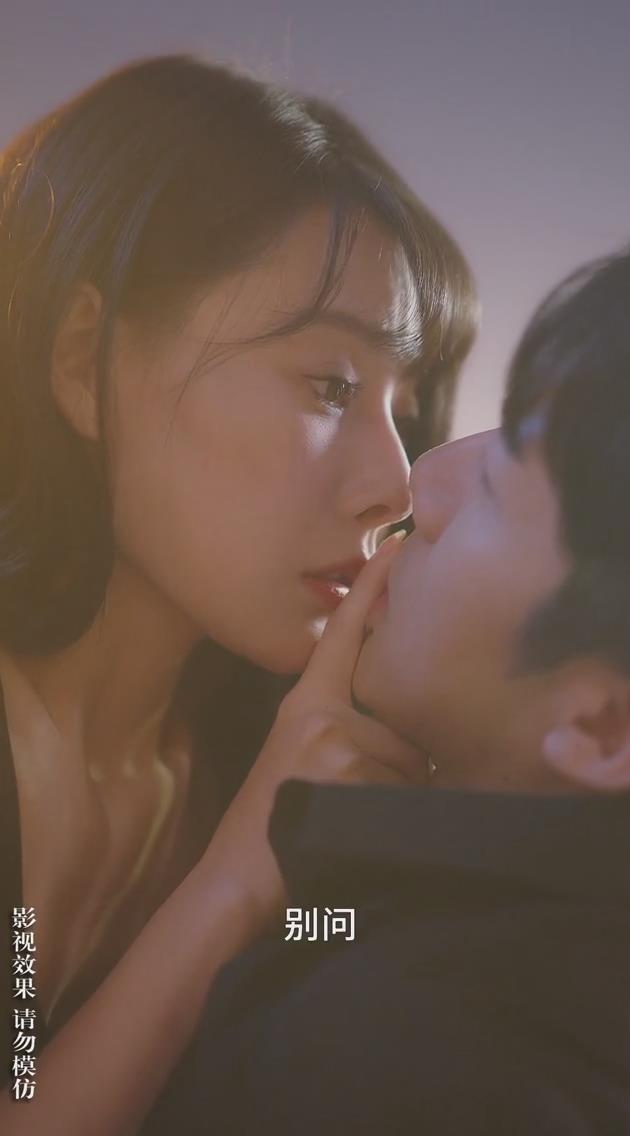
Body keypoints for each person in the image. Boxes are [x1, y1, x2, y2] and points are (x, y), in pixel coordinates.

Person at [0, 53, 477, 1132]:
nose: (395, 481)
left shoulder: (254, 741)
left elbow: (311, 935)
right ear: (80, 362)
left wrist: (374, 887)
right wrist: (227, 884)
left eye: (403, 412)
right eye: (328, 385)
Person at [147, 241, 630, 1135]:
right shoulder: (473, 918)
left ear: (607, 723)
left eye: (496, 485)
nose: (417, 480)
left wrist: (234, 882)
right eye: (332, 387)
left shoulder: (397, 1057)